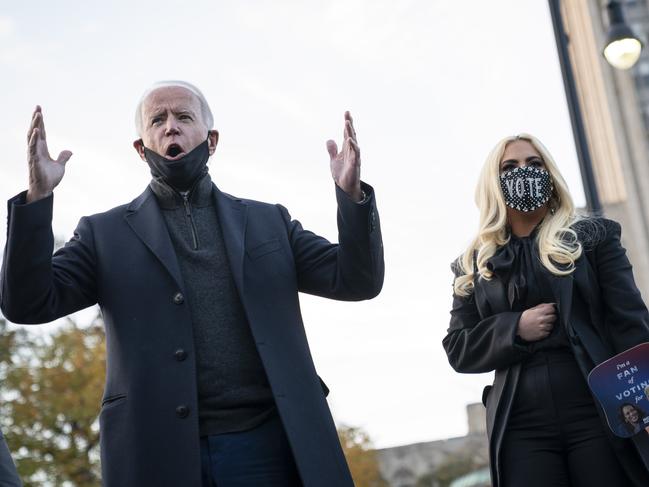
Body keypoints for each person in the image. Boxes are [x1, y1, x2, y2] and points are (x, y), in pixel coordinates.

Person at [0, 81, 384, 487]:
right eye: (158, 120)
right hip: (157, 452)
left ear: (211, 139)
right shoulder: (103, 235)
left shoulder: (269, 222)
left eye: (184, 117)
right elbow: (27, 303)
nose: (171, 127)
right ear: (140, 146)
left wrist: (351, 196)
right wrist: (37, 201)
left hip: (271, 445)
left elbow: (356, 279)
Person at [442, 134, 649, 487]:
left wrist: (645, 399)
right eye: (509, 167)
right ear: (494, 182)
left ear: (550, 174)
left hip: (595, 409)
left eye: (534, 164)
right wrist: (514, 328)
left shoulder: (593, 237)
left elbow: (630, 322)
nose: (524, 172)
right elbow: (458, 347)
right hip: (521, 423)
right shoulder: (473, 265)